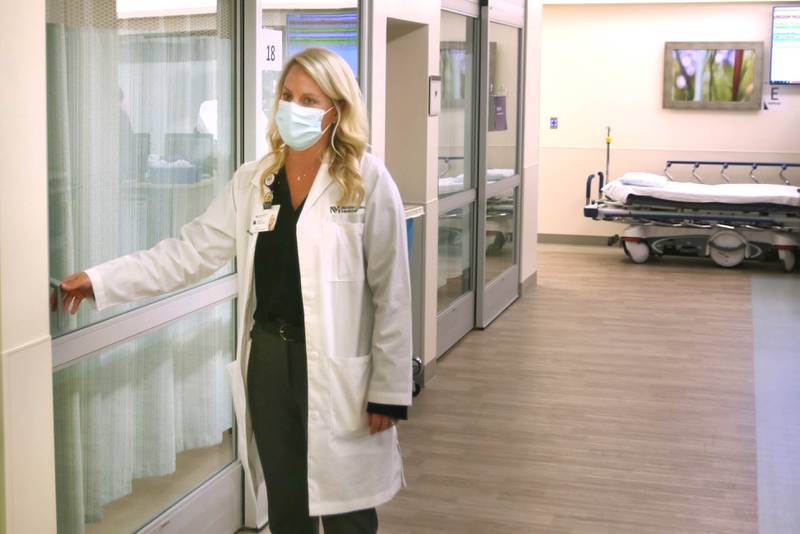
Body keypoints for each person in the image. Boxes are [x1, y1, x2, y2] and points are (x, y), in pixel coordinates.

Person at [60, 47, 412, 534]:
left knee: (346, 506)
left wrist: (389, 391)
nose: (295, 109)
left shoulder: (366, 180)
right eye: (288, 96)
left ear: (336, 109)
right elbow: (188, 253)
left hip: (336, 364)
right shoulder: (256, 180)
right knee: (288, 500)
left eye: (310, 100)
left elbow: (390, 292)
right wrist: (101, 279)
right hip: (268, 358)